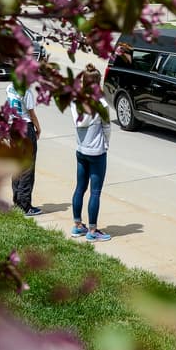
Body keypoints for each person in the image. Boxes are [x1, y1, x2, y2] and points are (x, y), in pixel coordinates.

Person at [71, 96, 112, 242]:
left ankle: (77, 225)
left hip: (81, 150)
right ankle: (92, 230)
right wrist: (106, 144)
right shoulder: (101, 103)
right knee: (95, 192)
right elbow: (106, 127)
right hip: (96, 152)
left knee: (80, 188)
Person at [6, 80, 42, 216]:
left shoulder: (9, 88)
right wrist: (38, 128)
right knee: (27, 167)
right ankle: (25, 205)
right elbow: (32, 114)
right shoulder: (26, 92)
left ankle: (17, 201)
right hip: (25, 128)